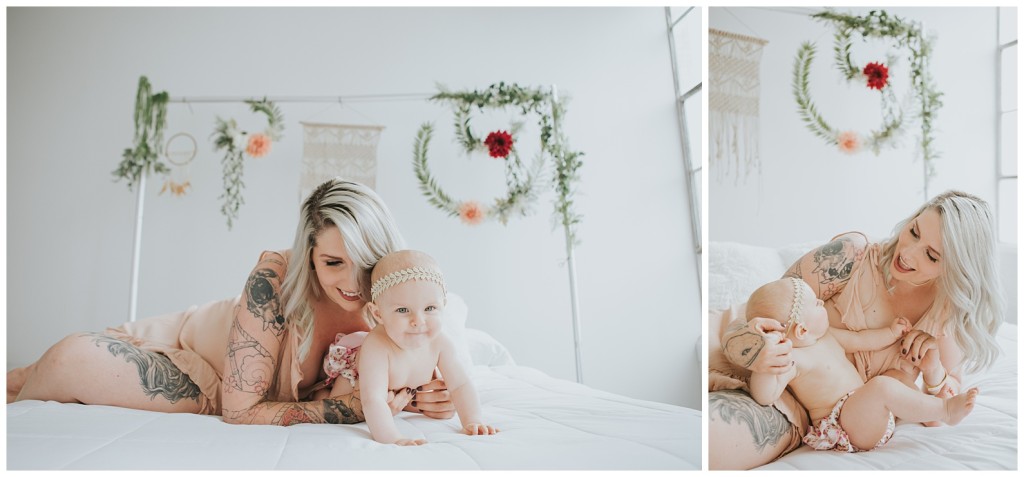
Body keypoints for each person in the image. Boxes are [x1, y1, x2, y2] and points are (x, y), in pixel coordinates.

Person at [8, 178, 457, 425]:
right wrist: (347, 410)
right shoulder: (275, 278)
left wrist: (435, 398)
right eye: (334, 262)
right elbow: (239, 411)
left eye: (365, 261)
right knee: (68, 359)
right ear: (310, 257)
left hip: (221, 380)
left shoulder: (398, 297)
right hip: (191, 350)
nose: (353, 280)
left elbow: (429, 365)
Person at [708, 190, 1002, 469]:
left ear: (956, 267)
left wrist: (934, 369)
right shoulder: (851, 255)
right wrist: (758, 350)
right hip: (764, 372)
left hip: (825, 415)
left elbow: (940, 412)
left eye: (932, 255)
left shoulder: (945, 314)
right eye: (913, 232)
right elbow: (768, 309)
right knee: (707, 441)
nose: (908, 254)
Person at [746, 277, 979, 452]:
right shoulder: (794, 359)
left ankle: (926, 410)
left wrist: (890, 333)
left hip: (866, 413)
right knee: (881, 387)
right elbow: (765, 395)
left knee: (896, 376)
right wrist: (762, 364)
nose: (821, 301)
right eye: (816, 305)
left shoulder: (827, 336)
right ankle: (945, 410)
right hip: (844, 425)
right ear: (802, 329)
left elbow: (861, 341)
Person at [311, 249, 499, 445]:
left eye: (429, 308)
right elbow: (373, 400)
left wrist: (472, 420)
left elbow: (460, 385)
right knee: (333, 401)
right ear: (378, 314)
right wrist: (393, 438)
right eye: (402, 310)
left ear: (443, 305)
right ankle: (318, 392)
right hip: (355, 385)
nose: (418, 321)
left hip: (399, 394)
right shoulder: (376, 346)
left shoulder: (440, 343)